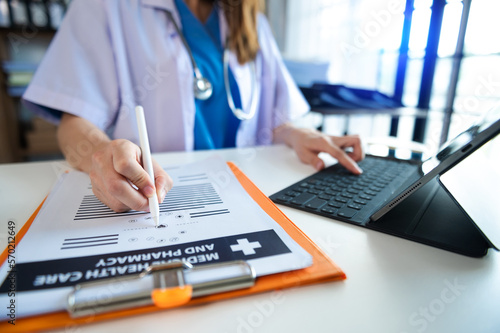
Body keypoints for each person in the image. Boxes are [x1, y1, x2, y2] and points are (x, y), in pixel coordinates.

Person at [22, 0, 364, 214]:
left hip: (242, 195)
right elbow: (73, 120)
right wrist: (101, 153)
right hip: (155, 196)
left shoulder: (249, 19)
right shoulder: (105, 7)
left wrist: (298, 133)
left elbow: (270, 116)